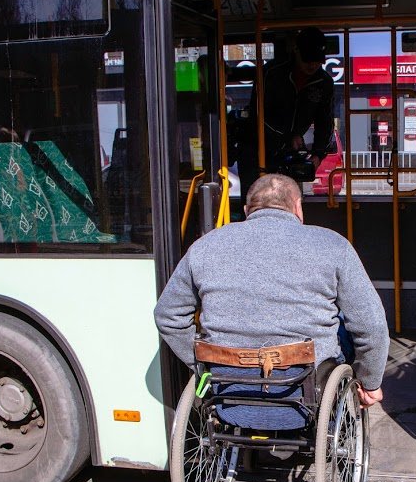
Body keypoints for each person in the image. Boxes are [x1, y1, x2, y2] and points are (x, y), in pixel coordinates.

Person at [154, 173, 388, 408]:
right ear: (298, 207)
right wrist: (370, 382)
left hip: (226, 383)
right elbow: (372, 325)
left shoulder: (204, 246)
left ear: (247, 210)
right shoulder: (333, 245)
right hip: (310, 387)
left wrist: (202, 363)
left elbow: (167, 316)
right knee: (343, 325)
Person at [236, 27, 335, 194]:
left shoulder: (323, 82)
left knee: (287, 198)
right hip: (255, 147)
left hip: (288, 151)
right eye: (307, 60)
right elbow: (259, 114)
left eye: (317, 61)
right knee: (256, 198)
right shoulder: (272, 73)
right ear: (296, 51)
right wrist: (288, 136)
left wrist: (318, 153)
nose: (312, 65)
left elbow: (325, 121)